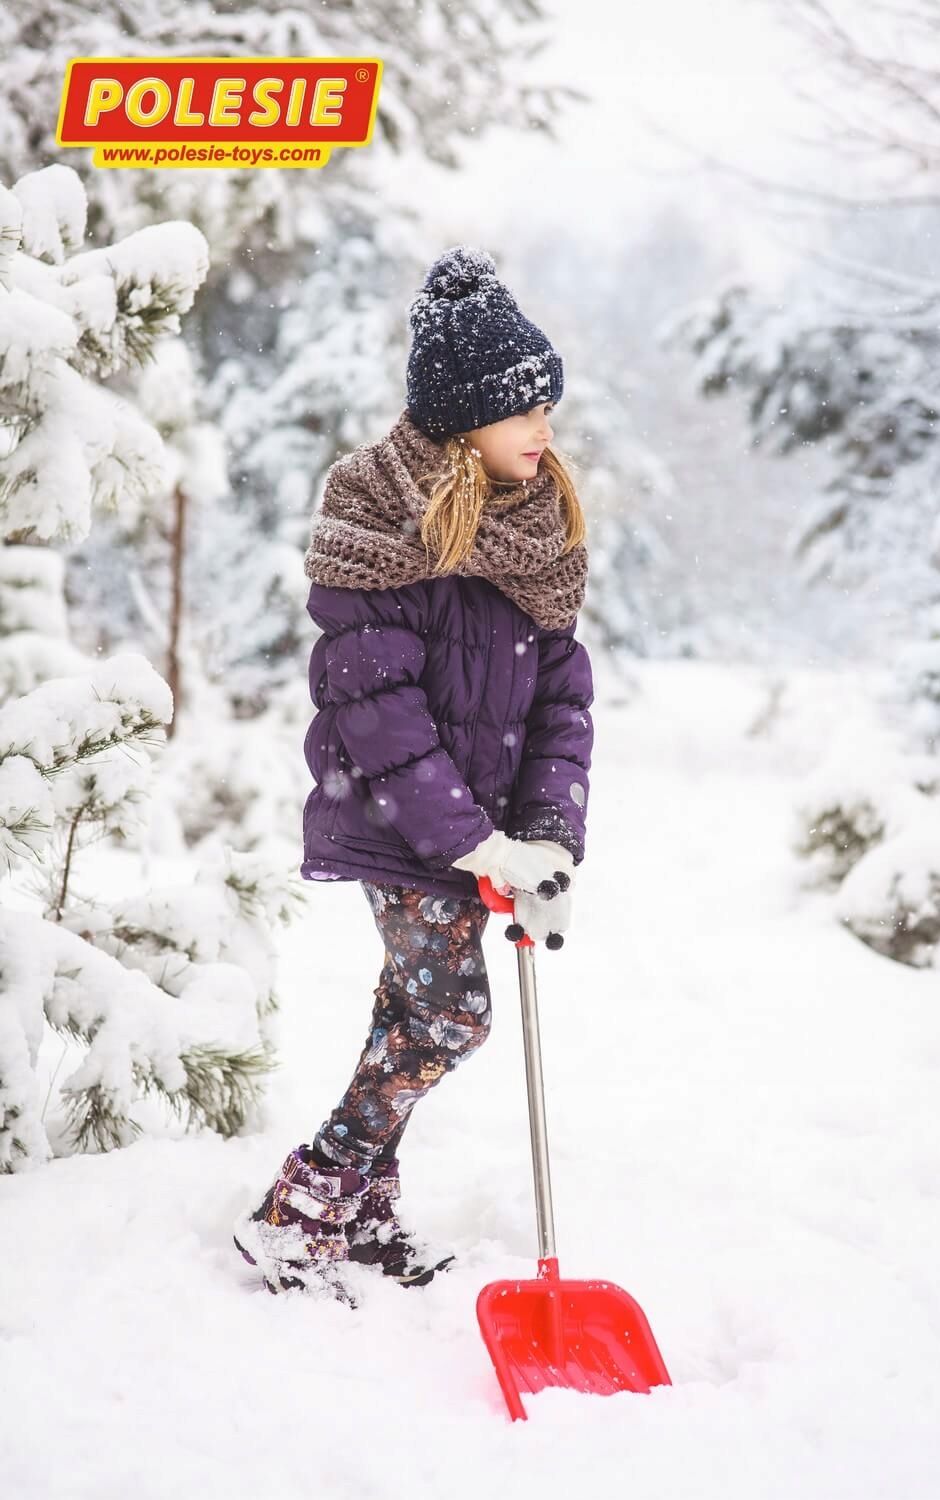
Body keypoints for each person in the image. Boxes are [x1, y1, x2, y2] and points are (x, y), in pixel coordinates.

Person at [233, 244, 595, 1302]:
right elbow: (375, 712)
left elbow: (561, 702)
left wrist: (546, 837)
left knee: (408, 1015)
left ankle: (363, 1212)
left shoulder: (536, 535)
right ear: (462, 419)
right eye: (522, 408)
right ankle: (304, 1201)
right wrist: (468, 841)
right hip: (399, 825)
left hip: (485, 834)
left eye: (547, 408)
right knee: (448, 1019)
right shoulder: (379, 527)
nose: (543, 429)